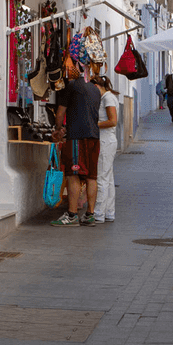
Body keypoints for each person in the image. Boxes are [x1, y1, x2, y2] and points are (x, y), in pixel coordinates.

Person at [50, 56, 102, 227]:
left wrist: (58, 129)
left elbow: (60, 114)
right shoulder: (95, 89)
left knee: (73, 175)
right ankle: (90, 215)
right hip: (94, 136)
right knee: (91, 176)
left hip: (77, 137)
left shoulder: (71, 86)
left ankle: (72, 215)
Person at [91, 75, 119, 223]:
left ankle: (98, 213)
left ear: (97, 86)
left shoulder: (107, 98)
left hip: (105, 140)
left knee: (101, 177)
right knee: (108, 178)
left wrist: (94, 125)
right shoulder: (108, 97)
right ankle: (109, 212)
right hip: (108, 140)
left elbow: (113, 121)